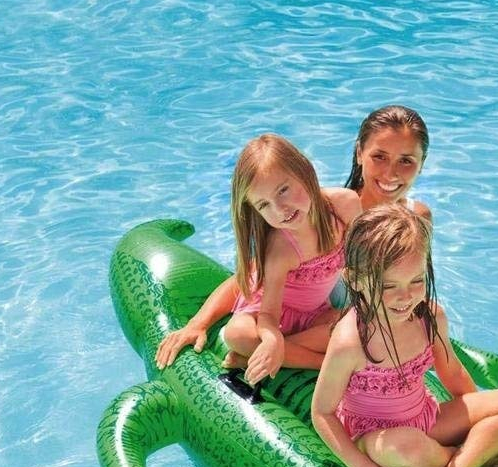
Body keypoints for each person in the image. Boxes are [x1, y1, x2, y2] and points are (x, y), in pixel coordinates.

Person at [155, 105, 431, 369]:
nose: (390, 173)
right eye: (379, 156)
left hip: (334, 317)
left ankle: (265, 355)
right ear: (360, 153)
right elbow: (249, 278)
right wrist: (199, 323)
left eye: (406, 160)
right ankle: (273, 354)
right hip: (308, 314)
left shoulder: (416, 218)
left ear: (421, 164)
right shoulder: (317, 213)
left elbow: (413, 282)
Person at [311, 204, 498, 467]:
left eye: (416, 280)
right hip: (377, 438)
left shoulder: (430, 317)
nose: (406, 296)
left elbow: (453, 375)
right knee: (406, 448)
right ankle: (468, 460)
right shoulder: (351, 341)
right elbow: (322, 412)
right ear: (355, 280)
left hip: (427, 418)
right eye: (388, 286)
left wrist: (474, 424)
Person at [155, 134, 361, 385]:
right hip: (267, 314)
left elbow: (365, 260)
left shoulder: (344, 205)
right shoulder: (281, 248)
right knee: (237, 334)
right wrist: (271, 339)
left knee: (360, 328)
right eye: (264, 205)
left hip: (315, 313)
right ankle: (319, 362)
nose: (280, 209)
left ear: (304, 170)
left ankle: (260, 356)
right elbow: (268, 314)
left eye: (283, 190)